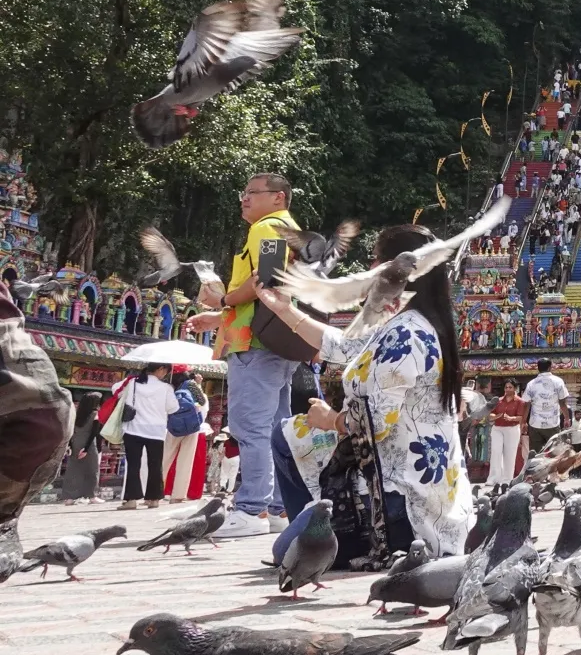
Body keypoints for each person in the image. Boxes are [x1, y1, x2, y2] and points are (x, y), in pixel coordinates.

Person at [258, 221, 477, 557]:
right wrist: (283, 309)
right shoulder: (414, 323)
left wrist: (331, 419)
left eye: (377, 260)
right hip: (421, 493)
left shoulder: (406, 335)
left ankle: (317, 541)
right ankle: (313, 528)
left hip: (401, 508)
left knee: (283, 552)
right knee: (289, 432)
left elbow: (375, 425)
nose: (372, 268)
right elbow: (343, 347)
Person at [188, 171, 298, 539]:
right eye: (244, 192)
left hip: (254, 343)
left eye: (253, 192)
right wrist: (222, 314)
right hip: (274, 340)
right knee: (276, 428)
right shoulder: (285, 228)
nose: (244, 199)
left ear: (278, 197)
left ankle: (252, 509)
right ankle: (280, 508)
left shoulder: (268, 227)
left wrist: (221, 299)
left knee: (250, 426)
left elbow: (268, 277)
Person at [116, 365, 177, 509]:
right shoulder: (166, 388)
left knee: (133, 465)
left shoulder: (133, 383)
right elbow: (173, 408)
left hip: (133, 429)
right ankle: (153, 498)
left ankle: (131, 499)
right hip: (156, 431)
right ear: (160, 369)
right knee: (155, 465)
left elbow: (116, 391)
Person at [162, 371, 210, 501]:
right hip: (191, 426)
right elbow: (202, 401)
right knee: (185, 461)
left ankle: (155, 490)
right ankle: (178, 495)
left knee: (164, 459)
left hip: (173, 426)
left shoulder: (169, 385)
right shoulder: (190, 384)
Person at [59, 391, 104, 503]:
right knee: (92, 470)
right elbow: (94, 433)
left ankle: (68, 497)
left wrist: (70, 445)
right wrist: (86, 449)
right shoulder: (95, 414)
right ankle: (92, 496)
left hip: (75, 443)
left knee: (73, 470)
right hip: (89, 445)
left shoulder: (76, 414)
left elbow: (70, 431)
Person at [523, 358, 572, 454]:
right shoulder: (558, 381)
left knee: (535, 455)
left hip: (535, 425)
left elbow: (526, 404)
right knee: (554, 455)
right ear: (550, 367)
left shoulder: (531, 384)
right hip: (552, 424)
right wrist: (567, 418)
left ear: (538, 368)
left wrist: (524, 422)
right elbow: (562, 403)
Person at [488, 380, 526, 487]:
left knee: (510, 454)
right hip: (497, 428)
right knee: (496, 452)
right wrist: (496, 417)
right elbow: (490, 414)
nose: (508, 389)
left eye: (510, 387)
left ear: (515, 389)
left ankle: (507, 479)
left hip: (512, 429)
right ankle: (493, 478)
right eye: (506, 387)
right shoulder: (498, 401)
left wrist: (510, 418)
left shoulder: (520, 402)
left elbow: (521, 417)